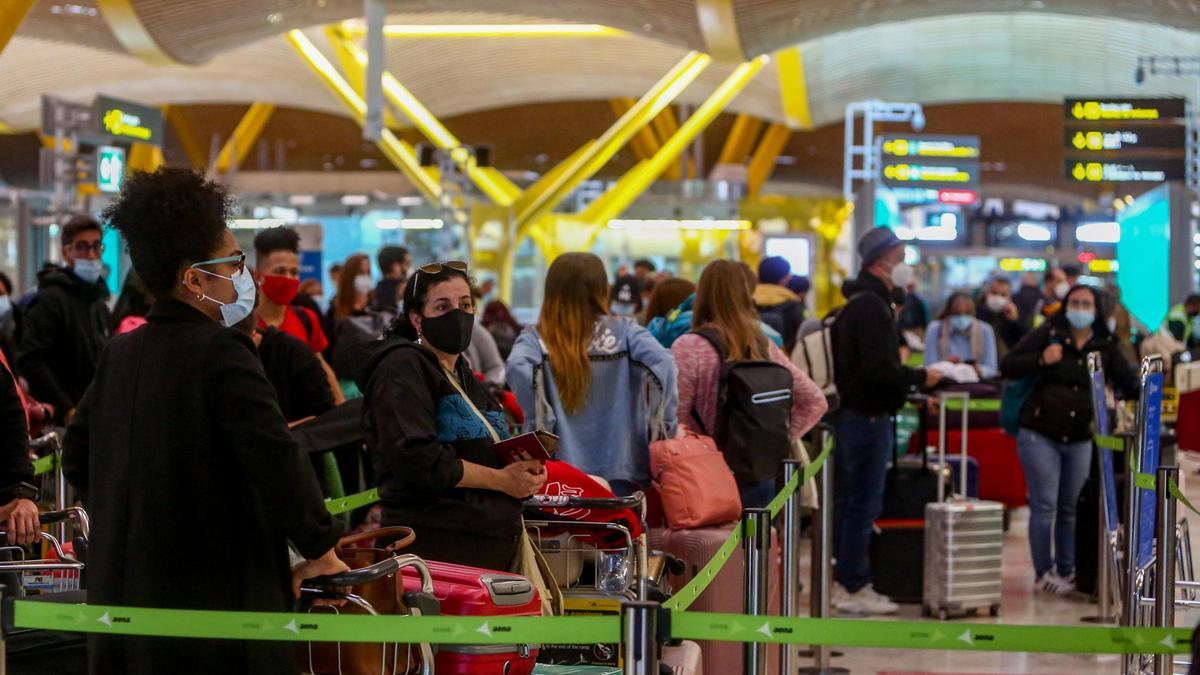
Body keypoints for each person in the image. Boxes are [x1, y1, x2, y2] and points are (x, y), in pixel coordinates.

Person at [63, 168, 346, 674]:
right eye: (235, 262)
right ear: (195, 279)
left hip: (124, 604)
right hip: (216, 609)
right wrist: (320, 548)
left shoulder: (121, 353)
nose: (246, 276)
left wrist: (133, 519)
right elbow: (275, 456)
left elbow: (78, 453)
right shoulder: (224, 351)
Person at [359, 260, 545, 569]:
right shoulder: (401, 368)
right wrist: (502, 481)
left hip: (486, 541)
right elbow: (417, 459)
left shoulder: (460, 369)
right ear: (418, 320)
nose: (458, 315)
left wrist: (525, 471)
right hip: (435, 548)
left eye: (466, 304)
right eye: (443, 307)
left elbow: (485, 445)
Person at [830, 227, 941, 614]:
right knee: (862, 503)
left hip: (856, 416)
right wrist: (919, 377)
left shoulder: (863, 303)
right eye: (900, 257)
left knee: (850, 502)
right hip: (867, 418)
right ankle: (852, 583)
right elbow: (879, 368)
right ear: (881, 262)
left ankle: (845, 577)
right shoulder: (870, 307)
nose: (905, 266)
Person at [1001, 284, 1138, 594]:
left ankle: (1067, 569)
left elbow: (1129, 384)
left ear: (1096, 310)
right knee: (1044, 505)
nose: (1079, 308)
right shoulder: (1049, 333)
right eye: (1074, 302)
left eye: (1085, 303)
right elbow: (1008, 365)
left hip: (1080, 437)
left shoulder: (1104, 345)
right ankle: (1043, 572)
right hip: (1039, 433)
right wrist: (1041, 359)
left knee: (1070, 507)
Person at [507, 253, 678, 495]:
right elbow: (664, 362)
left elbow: (516, 366)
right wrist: (663, 425)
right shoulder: (626, 331)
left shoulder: (537, 338)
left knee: (566, 533)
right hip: (623, 463)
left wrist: (540, 422)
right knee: (622, 529)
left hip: (559, 471)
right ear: (602, 288)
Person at [672, 260, 827, 507]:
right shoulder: (761, 344)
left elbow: (676, 420)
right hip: (756, 470)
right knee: (756, 544)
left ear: (702, 294)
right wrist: (776, 439)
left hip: (703, 474)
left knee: (712, 546)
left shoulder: (689, 347)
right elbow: (815, 401)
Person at [17, 214, 111, 424]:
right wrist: (67, 409)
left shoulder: (97, 302)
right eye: (82, 247)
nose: (91, 254)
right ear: (66, 252)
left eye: (96, 246)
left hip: (93, 416)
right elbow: (31, 360)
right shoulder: (50, 300)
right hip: (62, 421)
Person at [924, 292, 999, 379]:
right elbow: (929, 365)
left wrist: (977, 370)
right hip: (945, 381)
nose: (962, 318)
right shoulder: (936, 329)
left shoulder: (985, 330)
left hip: (976, 382)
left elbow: (991, 368)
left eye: (967, 313)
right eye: (957, 314)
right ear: (949, 312)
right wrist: (946, 365)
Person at [753, 256, 806, 353]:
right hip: (783, 363)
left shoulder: (746, 302)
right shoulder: (792, 304)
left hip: (750, 363)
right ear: (784, 279)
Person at [976, 276, 1028, 355]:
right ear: (986, 293)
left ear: (1009, 297)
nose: (998, 298)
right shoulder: (976, 311)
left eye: (1003, 295)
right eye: (994, 293)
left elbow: (1025, 338)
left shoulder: (1015, 313)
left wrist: (1015, 320)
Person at [371, 245, 411, 314]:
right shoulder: (400, 293)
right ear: (395, 267)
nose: (409, 267)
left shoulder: (375, 293)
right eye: (407, 263)